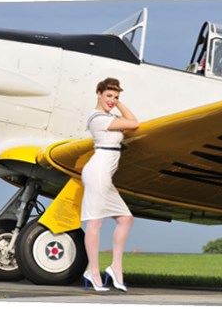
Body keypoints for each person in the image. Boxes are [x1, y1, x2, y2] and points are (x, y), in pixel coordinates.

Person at [81, 77, 139, 292]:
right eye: (108, 96)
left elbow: (131, 120)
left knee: (126, 219)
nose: (112, 100)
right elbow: (134, 123)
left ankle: (115, 267)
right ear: (98, 94)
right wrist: (116, 105)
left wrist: (117, 103)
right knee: (95, 224)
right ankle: (93, 271)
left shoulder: (110, 116)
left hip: (105, 174)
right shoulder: (97, 118)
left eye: (116, 97)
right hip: (98, 172)